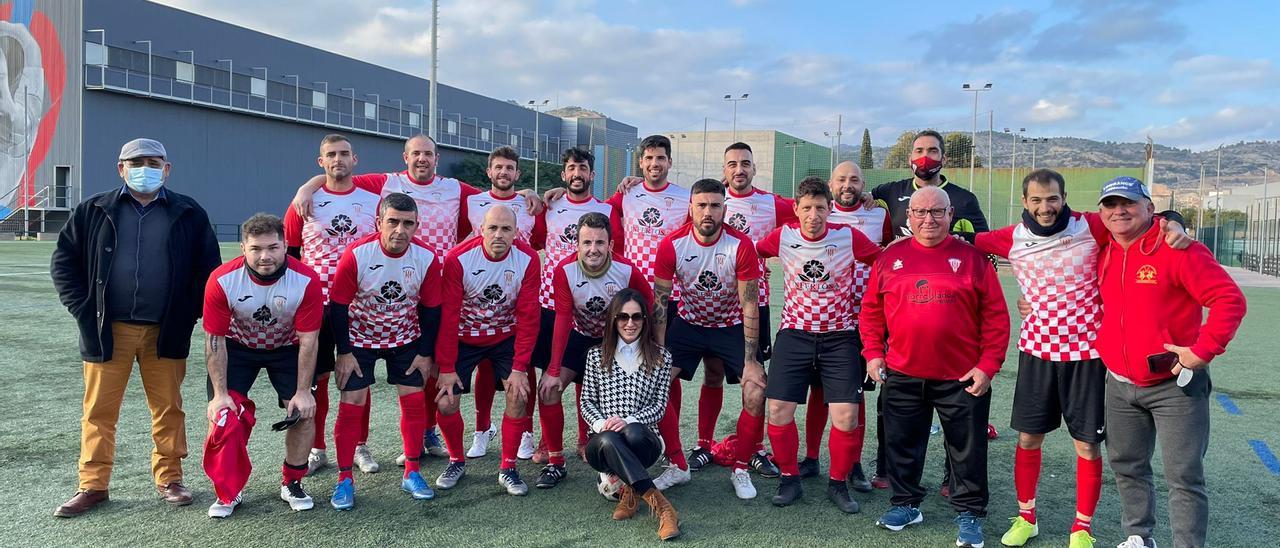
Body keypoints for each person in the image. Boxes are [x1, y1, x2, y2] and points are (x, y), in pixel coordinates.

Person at [290, 135, 542, 469]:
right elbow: (340, 174)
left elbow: (494, 191)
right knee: (338, 374)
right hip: (367, 292)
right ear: (405, 157)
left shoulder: (454, 188)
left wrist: (527, 193)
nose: (422, 159)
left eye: (428, 154)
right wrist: (308, 186)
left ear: (436, 158)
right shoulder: (386, 183)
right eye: (416, 154)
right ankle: (324, 447)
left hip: (433, 287)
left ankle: (427, 433)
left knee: (427, 366)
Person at [971, 170, 1191, 548]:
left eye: (1052, 198)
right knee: (1027, 439)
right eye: (1037, 200)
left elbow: (1144, 219)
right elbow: (967, 242)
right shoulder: (1010, 238)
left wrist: (1176, 222)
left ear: (1064, 197)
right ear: (1024, 202)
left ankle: (1082, 527)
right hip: (1036, 352)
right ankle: (1026, 517)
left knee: (1086, 445)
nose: (1045, 207)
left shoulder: (1090, 225)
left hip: (1087, 355)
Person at [50, 138, 221, 518]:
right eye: (137, 161)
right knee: (98, 411)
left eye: (153, 161)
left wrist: (187, 311)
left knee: (169, 409)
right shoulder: (94, 209)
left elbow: (208, 270)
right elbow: (64, 261)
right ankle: (93, 485)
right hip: (109, 330)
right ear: (121, 168)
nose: (145, 168)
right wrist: (82, 308)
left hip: (166, 331)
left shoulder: (188, 212)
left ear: (167, 168)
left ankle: (170, 478)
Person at [1091, 177, 1246, 548]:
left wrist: (1202, 350)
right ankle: (1139, 536)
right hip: (1118, 381)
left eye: (1128, 203)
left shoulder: (1177, 248)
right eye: (1110, 205)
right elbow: (1053, 218)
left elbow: (1230, 300)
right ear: (1100, 213)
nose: (1119, 211)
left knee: (1184, 475)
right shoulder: (1102, 246)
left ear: (1149, 208)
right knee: (1127, 465)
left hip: (1174, 384)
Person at [861, 185, 1009, 548]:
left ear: (950, 216)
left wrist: (987, 366)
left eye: (937, 212)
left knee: (967, 448)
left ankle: (970, 512)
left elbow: (996, 318)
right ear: (908, 217)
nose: (929, 219)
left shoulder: (973, 259)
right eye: (921, 212)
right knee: (901, 443)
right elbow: (871, 312)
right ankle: (906, 503)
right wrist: (873, 353)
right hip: (903, 371)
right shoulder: (889, 259)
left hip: (961, 375)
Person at [754, 176, 882, 513]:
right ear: (795, 209)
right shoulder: (783, 236)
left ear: (830, 210)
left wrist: (875, 299)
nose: (814, 215)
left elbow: (881, 262)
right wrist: (754, 276)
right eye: (807, 208)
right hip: (795, 334)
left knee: (846, 416)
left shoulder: (847, 236)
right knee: (779, 409)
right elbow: (751, 251)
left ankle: (838, 484)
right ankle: (789, 477)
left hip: (841, 336)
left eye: (821, 208)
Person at [325, 192, 443, 509]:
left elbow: (432, 310)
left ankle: (412, 472)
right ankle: (344, 479)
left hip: (405, 338)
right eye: (392, 222)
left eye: (407, 223)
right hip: (360, 339)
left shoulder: (427, 258)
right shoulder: (357, 254)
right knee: (351, 401)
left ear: (417, 225)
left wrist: (426, 352)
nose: (399, 230)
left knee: (414, 400)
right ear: (379, 222)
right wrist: (344, 352)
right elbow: (337, 308)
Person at [202, 214, 323, 517]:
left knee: (303, 413)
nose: (265, 256)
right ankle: (229, 490)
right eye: (256, 248)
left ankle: (292, 482)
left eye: (272, 247)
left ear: (285, 245)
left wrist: (302, 392)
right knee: (224, 415)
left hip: (287, 347)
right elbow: (214, 340)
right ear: (242, 247)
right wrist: (219, 395)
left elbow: (309, 341)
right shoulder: (221, 279)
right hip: (237, 347)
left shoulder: (306, 279)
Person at [652, 178, 764, 498]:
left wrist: (751, 360)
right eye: (701, 205)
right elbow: (661, 303)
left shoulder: (740, 245)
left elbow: (750, 304)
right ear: (691, 208)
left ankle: (741, 467)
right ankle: (677, 463)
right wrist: (659, 351)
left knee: (756, 389)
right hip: (689, 324)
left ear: (725, 209)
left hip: (730, 326)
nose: (708, 212)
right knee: (657, 380)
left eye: (715, 205)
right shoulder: (672, 244)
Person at [283, 134, 383, 476]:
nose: (338, 159)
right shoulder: (304, 203)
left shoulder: (374, 200)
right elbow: (291, 256)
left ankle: (359, 445)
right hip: (317, 304)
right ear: (320, 162)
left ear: (355, 159)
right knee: (318, 377)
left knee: (359, 376)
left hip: (361, 304)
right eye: (331, 155)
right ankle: (318, 447)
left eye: (344, 154)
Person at [537, 211, 651, 488]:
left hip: (614, 342)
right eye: (586, 242)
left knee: (625, 399)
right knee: (548, 389)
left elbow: (647, 307)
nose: (593, 249)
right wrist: (553, 370)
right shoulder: (564, 271)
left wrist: (649, 350)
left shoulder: (627, 270)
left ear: (611, 245)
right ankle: (555, 462)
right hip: (580, 336)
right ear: (576, 244)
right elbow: (563, 318)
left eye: (600, 243)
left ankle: (634, 452)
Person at [433, 206, 541, 495]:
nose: (498, 235)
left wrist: (519, 368)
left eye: (506, 229)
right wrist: (445, 368)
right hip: (463, 337)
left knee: (518, 393)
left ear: (516, 233)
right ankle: (456, 460)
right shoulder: (458, 258)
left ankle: (508, 467)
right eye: (492, 228)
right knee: (445, 401)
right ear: (481, 229)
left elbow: (529, 317)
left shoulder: (528, 259)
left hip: (504, 336)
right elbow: (449, 317)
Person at [798, 161, 891, 490]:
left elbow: (889, 255)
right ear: (830, 183)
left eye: (854, 180)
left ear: (864, 184)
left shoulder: (880, 214)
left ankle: (853, 464)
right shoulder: (817, 210)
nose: (847, 185)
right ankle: (811, 458)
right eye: (841, 179)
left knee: (854, 394)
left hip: (863, 318)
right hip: (821, 316)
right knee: (817, 390)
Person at [605, 134, 692, 484]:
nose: (655, 164)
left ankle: (673, 455)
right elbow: (592, 207)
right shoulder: (626, 194)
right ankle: (625, 445)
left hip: (669, 300)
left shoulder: (686, 198)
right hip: (630, 299)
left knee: (665, 374)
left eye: (661, 158)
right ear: (640, 163)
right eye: (649, 159)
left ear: (670, 162)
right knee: (623, 374)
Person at [701, 142, 791, 479]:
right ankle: (703, 444)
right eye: (733, 164)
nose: (739, 169)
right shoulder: (708, 201)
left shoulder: (772, 203)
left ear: (754, 168)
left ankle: (753, 448)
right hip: (713, 304)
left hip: (755, 303)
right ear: (724, 169)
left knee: (752, 377)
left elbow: (815, 214)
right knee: (712, 373)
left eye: (745, 163)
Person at [530, 148, 618, 471]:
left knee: (588, 377)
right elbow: (537, 240)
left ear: (592, 175)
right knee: (551, 372)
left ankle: (584, 438)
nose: (577, 173)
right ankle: (546, 440)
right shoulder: (550, 207)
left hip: (592, 306)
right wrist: (532, 194)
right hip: (552, 304)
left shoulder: (606, 209)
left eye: (583, 168)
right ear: (564, 174)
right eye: (571, 168)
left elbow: (615, 248)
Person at [463, 146, 549, 462]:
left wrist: (533, 195)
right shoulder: (472, 201)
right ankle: (482, 430)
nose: (503, 173)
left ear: (517, 174)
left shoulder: (529, 205)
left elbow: (539, 241)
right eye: (498, 167)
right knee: (485, 367)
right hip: (481, 300)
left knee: (523, 367)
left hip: (520, 294)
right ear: (489, 171)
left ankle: (525, 433)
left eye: (509, 168)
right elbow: (465, 240)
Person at [580, 288, 680, 541]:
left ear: (645, 321)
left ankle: (630, 491)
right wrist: (603, 423)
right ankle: (662, 507)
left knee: (632, 432)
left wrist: (628, 421)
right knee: (608, 438)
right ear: (614, 320)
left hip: (643, 440)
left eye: (637, 317)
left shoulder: (661, 357)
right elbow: (586, 401)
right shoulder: (595, 355)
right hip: (601, 445)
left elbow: (659, 405)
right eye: (623, 317)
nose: (630, 323)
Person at [871, 129, 988, 237]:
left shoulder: (964, 199)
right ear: (910, 158)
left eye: (933, 151)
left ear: (944, 159)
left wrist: (958, 241)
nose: (925, 156)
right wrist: (865, 196)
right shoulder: (890, 191)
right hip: (900, 260)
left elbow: (985, 245)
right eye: (919, 151)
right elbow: (858, 200)